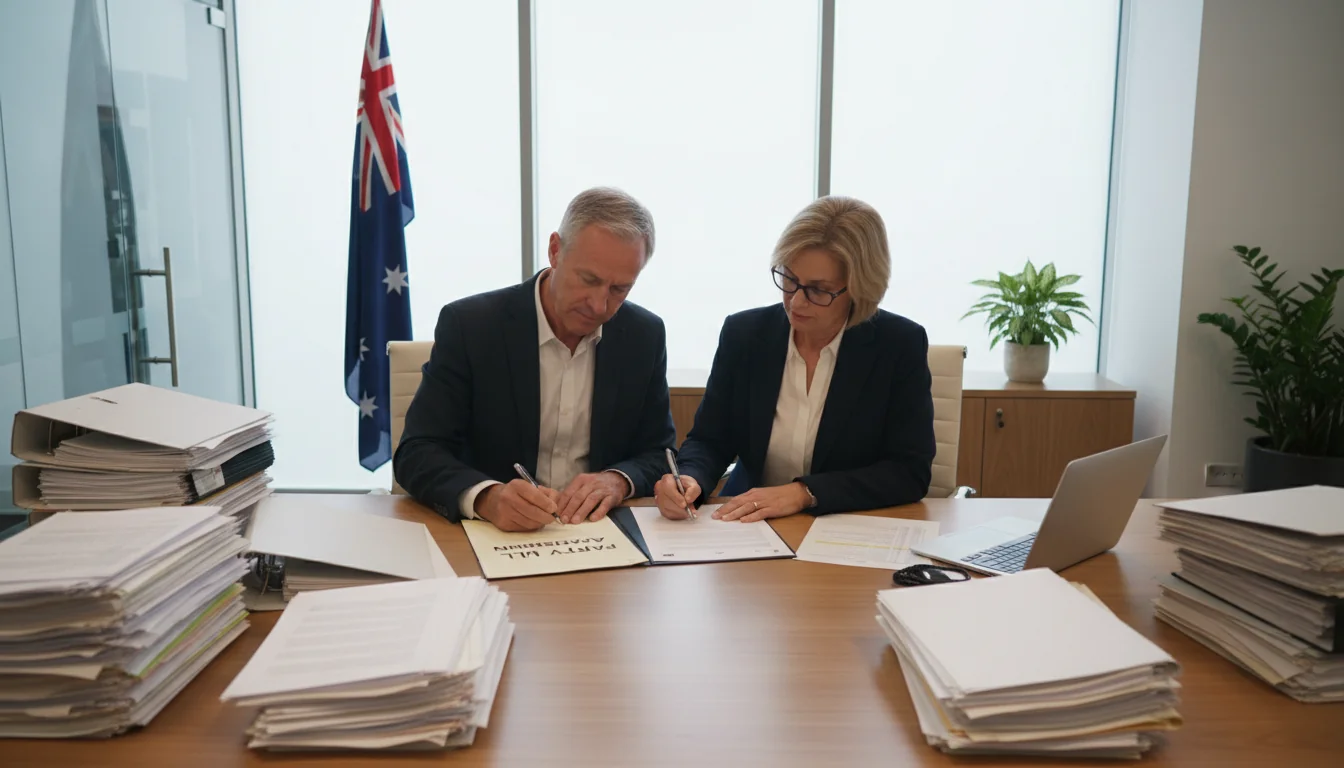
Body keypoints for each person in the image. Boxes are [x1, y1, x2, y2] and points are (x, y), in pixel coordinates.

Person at [396, 187, 676, 532]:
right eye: (588, 279)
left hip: (599, 532)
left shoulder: (644, 335)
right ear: (555, 250)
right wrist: (487, 497)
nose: (599, 305)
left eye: (619, 289)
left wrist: (618, 480)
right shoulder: (471, 326)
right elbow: (417, 451)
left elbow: (659, 454)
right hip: (494, 534)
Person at [655, 196, 934, 523]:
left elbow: (909, 472)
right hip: (753, 523)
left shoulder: (898, 345)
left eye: (818, 290)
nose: (796, 302)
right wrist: (690, 479)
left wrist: (804, 492)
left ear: (860, 289)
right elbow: (710, 439)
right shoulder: (745, 335)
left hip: (844, 522)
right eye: (789, 279)